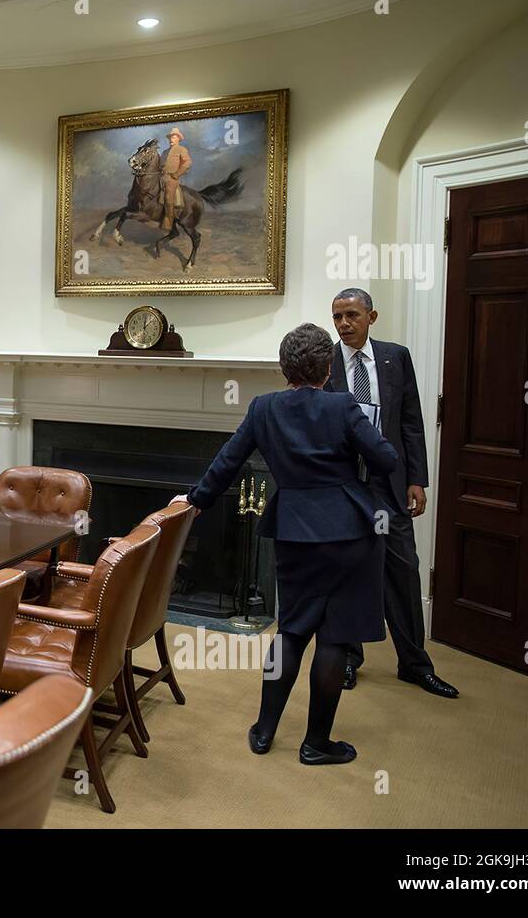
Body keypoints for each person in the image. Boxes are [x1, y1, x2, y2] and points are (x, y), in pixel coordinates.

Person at [179, 323, 398, 765]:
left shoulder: (264, 409)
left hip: (296, 532)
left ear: (285, 368)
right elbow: (387, 459)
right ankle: (316, 744)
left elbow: (228, 462)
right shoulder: (344, 406)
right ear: (327, 367)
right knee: (335, 638)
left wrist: (196, 500)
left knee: (292, 631)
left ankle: (264, 731)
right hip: (351, 533)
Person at [328, 288, 459, 698]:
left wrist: (416, 479)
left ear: (372, 316)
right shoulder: (325, 362)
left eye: (351, 315)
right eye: (337, 317)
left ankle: (415, 663)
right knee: (349, 571)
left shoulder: (394, 357)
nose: (344, 324)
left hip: (389, 483)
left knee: (403, 569)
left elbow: (411, 423)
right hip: (346, 485)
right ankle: (349, 658)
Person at [159, 127, 192, 231]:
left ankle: (168, 221)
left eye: (173, 137)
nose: (171, 139)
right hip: (161, 176)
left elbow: (187, 162)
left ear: (178, 138)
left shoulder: (182, 149)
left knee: (169, 198)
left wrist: (177, 174)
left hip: (171, 178)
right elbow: (160, 165)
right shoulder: (164, 152)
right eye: (170, 137)